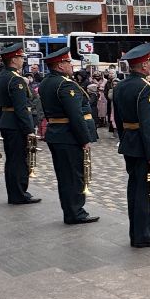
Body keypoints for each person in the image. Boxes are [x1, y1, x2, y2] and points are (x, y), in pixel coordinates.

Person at [114, 43, 150, 248]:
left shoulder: (120, 86)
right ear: (144, 65)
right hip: (143, 147)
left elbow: (118, 120)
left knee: (135, 190)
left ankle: (137, 232)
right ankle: (144, 234)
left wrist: (125, 139)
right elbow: (148, 124)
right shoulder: (146, 88)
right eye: (149, 62)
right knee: (145, 192)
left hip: (130, 143)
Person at [39, 45, 98, 227]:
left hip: (56, 134)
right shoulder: (65, 84)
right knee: (74, 176)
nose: (71, 65)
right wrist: (84, 139)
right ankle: (75, 212)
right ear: (60, 65)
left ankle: (71, 211)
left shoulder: (46, 82)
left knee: (65, 176)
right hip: (68, 136)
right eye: (68, 62)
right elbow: (75, 115)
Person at [0, 42, 40, 206]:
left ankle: (15, 193)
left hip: (7, 121)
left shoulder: (1, 76)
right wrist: (29, 129)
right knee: (18, 160)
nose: (23, 60)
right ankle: (19, 193)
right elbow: (21, 107)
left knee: (12, 160)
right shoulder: (15, 79)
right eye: (21, 58)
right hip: (16, 124)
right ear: (13, 60)